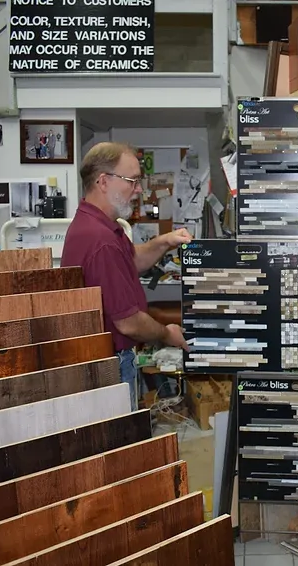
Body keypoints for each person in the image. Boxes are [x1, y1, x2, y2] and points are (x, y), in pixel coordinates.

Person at [61, 142, 191, 409]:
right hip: (112, 365)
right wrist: (167, 334)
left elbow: (132, 260)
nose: (139, 190)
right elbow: (128, 323)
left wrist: (165, 241)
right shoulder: (100, 240)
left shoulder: (100, 227)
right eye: (132, 181)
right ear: (103, 181)